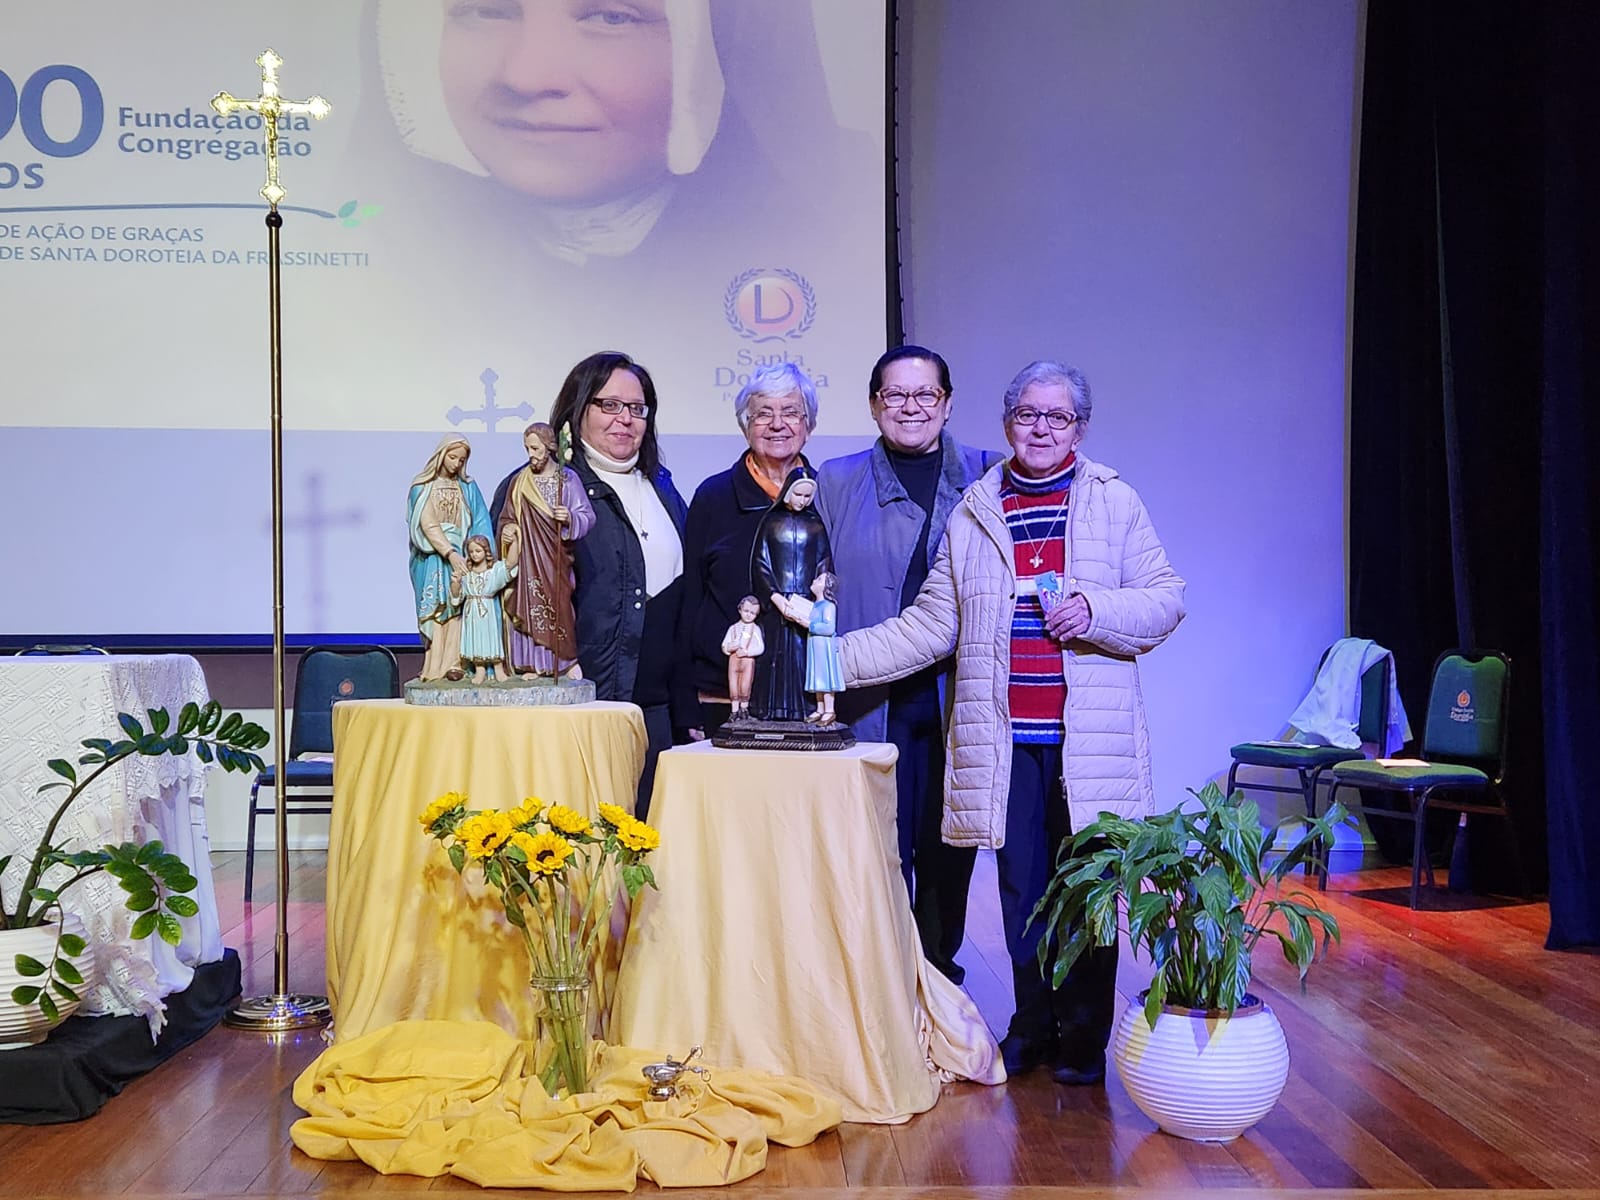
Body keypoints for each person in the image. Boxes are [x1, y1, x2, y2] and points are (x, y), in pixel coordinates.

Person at [838, 361, 1186, 1086]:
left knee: (1089, 891)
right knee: (1023, 894)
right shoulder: (975, 510)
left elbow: (1164, 599)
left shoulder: (1111, 502)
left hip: (1089, 743)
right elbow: (932, 625)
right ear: (1005, 424)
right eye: (1028, 414)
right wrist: (823, 662)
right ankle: (1032, 1026)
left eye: (1057, 417)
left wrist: (1096, 609)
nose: (1041, 428)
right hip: (1003, 742)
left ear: (1079, 429)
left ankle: (1085, 1035)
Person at [817, 344, 1002, 984]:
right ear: (873, 405)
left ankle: (939, 973)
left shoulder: (990, 475)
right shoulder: (834, 482)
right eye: (895, 395)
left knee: (950, 841)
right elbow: (812, 589)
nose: (911, 408)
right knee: (876, 843)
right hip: (870, 699)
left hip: (963, 698)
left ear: (948, 404)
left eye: (926, 395)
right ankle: (882, 982)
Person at [490, 352, 692, 814]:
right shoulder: (542, 486)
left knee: (648, 857)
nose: (625, 420)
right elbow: (515, 590)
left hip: (653, 712)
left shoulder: (662, 487)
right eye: (609, 405)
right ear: (577, 409)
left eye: (637, 409)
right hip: (578, 707)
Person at [679, 362, 818, 732]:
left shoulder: (829, 495)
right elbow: (690, 598)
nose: (777, 424)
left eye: (791, 412)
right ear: (745, 424)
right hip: (724, 695)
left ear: (809, 424)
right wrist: (685, 703)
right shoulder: (713, 496)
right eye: (763, 414)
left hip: (805, 697)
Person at [494, 422, 596, 678]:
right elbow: (507, 518)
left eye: (535, 448)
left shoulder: (567, 478)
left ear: (550, 448)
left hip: (555, 558)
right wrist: (509, 531)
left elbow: (588, 516)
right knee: (527, 606)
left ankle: (564, 661)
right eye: (527, 448)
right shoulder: (520, 482)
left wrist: (570, 517)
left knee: (560, 607)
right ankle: (532, 664)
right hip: (527, 561)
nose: (531, 454)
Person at [749, 468, 832, 723]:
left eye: (808, 496)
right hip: (776, 604)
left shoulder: (816, 526)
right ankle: (769, 710)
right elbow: (760, 563)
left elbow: (824, 562)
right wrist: (774, 597)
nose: (803, 500)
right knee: (773, 658)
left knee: (805, 659)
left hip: (806, 604)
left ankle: (808, 710)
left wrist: (820, 593)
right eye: (798, 494)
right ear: (787, 492)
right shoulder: (770, 522)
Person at [409, 435, 493, 681]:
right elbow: (428, 524)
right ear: (441, 455)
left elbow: (480, 521)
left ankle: (455, 662)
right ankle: (433, 666)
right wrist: (449, 553)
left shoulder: (467, 487)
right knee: (436, 607)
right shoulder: (422, 487)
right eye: (452, 457)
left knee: (458, 608)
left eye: (462, 460)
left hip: (464, 555)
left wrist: (480, 555)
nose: (456, 463)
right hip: (432, 556)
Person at [453, 533, 516, 683]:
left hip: (487, 611)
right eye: (471, 552)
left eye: (478, 551)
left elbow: (511, 564)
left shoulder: (493, 572)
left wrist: (514, 542)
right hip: (471, 612)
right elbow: (457, 597)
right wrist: (455, 583)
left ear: (486, 551)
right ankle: (479, 670)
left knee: (491, 638)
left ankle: (498, 668)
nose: (474, 555)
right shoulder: (466, 574)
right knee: (475, 640)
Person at [721, 595, 764, 722]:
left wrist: (747, 652)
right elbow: (724, 645)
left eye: (753, 613)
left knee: (745, 685)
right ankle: (734, 711)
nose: (749, 615)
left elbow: (760, 647)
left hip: (747, 661)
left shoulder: (755, 629)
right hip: (734, 660)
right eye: (746, 611)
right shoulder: (733, 628)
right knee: (733, 685)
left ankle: (744, 709)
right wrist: (730, 647)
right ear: (740, 610)